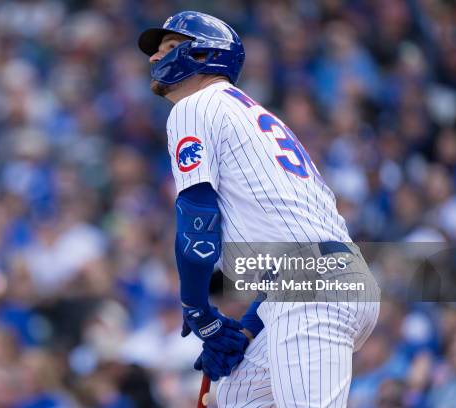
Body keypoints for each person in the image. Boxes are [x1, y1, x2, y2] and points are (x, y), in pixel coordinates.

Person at [138, 11, 380, 407]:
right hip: (318, 280)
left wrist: (196, 308)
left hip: (312, 288)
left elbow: (197, 221)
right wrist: (247, 331)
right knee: (238, 393)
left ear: (201, 57)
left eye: (168, 47)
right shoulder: (254, 115)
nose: (153, 58)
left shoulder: (195, 106)